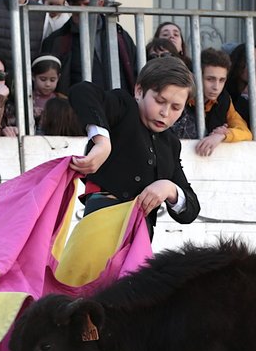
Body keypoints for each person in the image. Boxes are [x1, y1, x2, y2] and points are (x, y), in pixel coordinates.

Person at [68, 55, 200, 234]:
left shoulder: (171, 144)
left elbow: (191, 210)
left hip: (139, 238)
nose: (165, 112)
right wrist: (102, 141)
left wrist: (169, 188)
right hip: (100, 226)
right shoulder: (124, 107)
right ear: (139, 91)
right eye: (160, 101)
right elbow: (82, 91)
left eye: (176, 107)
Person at [41, 0, 138, 94]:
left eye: (87, 4)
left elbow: (135, 71)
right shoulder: (57, 41)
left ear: (101, 4)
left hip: (118, 107)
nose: (81, 10)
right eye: (76, 5)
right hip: (76, 109)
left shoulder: (120, 36)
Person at [193, 47, 251, 157]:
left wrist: (223, 135)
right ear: (197, 76)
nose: (216, 87)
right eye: (210, 79)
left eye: (221, 80)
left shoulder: (224, 99)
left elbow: (245, 132)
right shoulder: (182, 96)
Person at [225, 42, 256, 119]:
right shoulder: (224, 92)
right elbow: (233, 122)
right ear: (238, 63)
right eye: (251, 62)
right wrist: (246, 95)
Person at [30, 54, 63, 122]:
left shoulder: (62, 101)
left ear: (58, 78)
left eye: (52, 80)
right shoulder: (26, 99)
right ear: (33, 76)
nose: (48, 84)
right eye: (43, 79)